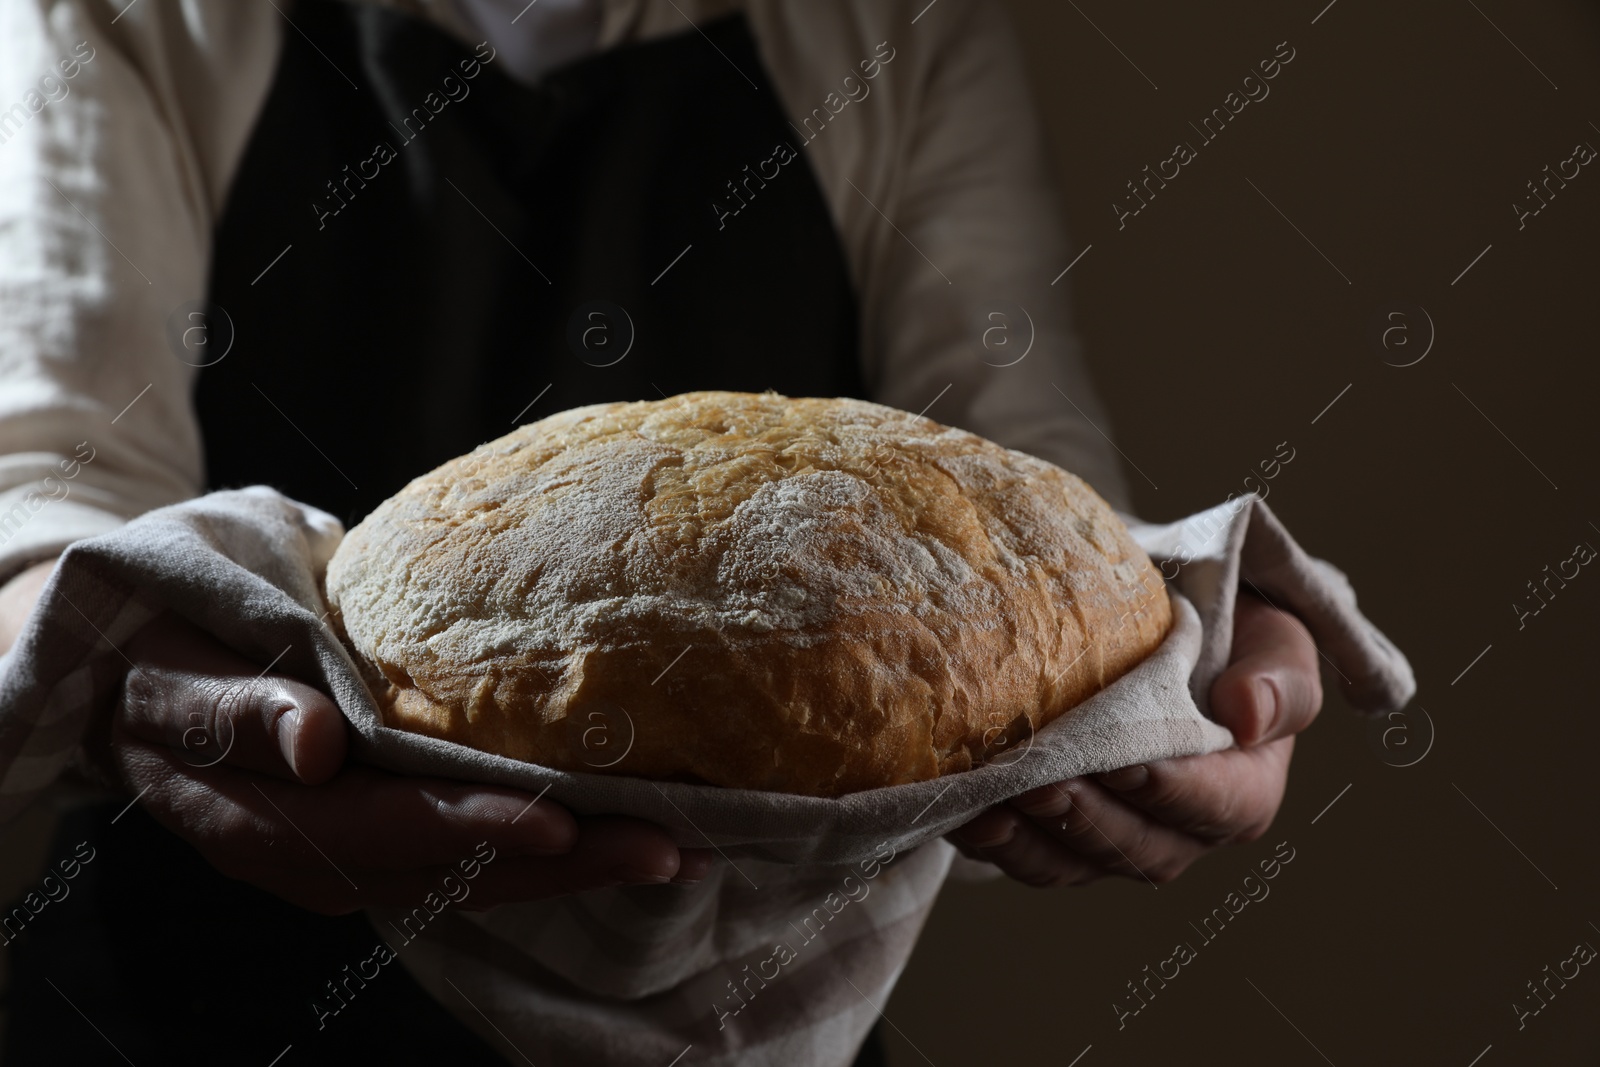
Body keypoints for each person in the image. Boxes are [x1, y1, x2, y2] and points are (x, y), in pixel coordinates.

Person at [0, 0, 1323, 1062]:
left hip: (753, 1006)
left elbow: (1018, 500)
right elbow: (40, 513)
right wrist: (126, 675)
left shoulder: (893, 29)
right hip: (192, 993)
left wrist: (1168, 667)